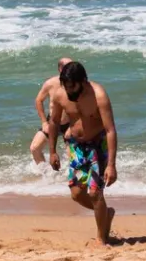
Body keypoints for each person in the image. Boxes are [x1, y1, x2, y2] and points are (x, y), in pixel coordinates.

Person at [47, 62, 119, 245]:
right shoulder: (61, 95)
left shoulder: (99, 95)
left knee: (95, 193)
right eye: (66, 86)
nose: (69, 91)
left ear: (83, 81)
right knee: (77, 194)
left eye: (73, 87)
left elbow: (110, 130)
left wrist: (111, 165)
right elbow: (54, 122)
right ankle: (106, 214)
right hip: (77, 147)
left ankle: (101, 238)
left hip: (97, 144)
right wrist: (52, 151)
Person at [29, 57, 74, 166]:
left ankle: (71, 178)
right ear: (60, 69)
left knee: (72, 156)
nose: (72, 69)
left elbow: (83, 107)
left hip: (71, 122)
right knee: (35, 148)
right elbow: (39, 100)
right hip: (52, 121)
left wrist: (72, 127)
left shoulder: (77, 84)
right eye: (68, 66)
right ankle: (47, 176)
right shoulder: (50, 83)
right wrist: (44, 122)